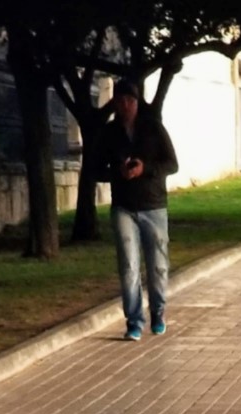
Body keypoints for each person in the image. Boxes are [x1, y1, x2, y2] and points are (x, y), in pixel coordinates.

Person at [101, 77, 178, 342]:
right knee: (129, 266)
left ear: (137, 103)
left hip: (153, 205)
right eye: (120, 101)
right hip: (124, 206)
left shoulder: (153, 128)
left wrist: (146, 169)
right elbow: (96, 167)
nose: (125, 105)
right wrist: (117, 170)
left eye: (130, 100)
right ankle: (134, 320)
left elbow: (172, 163)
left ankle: (158, 312)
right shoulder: (110, 133)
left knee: (158, 265)